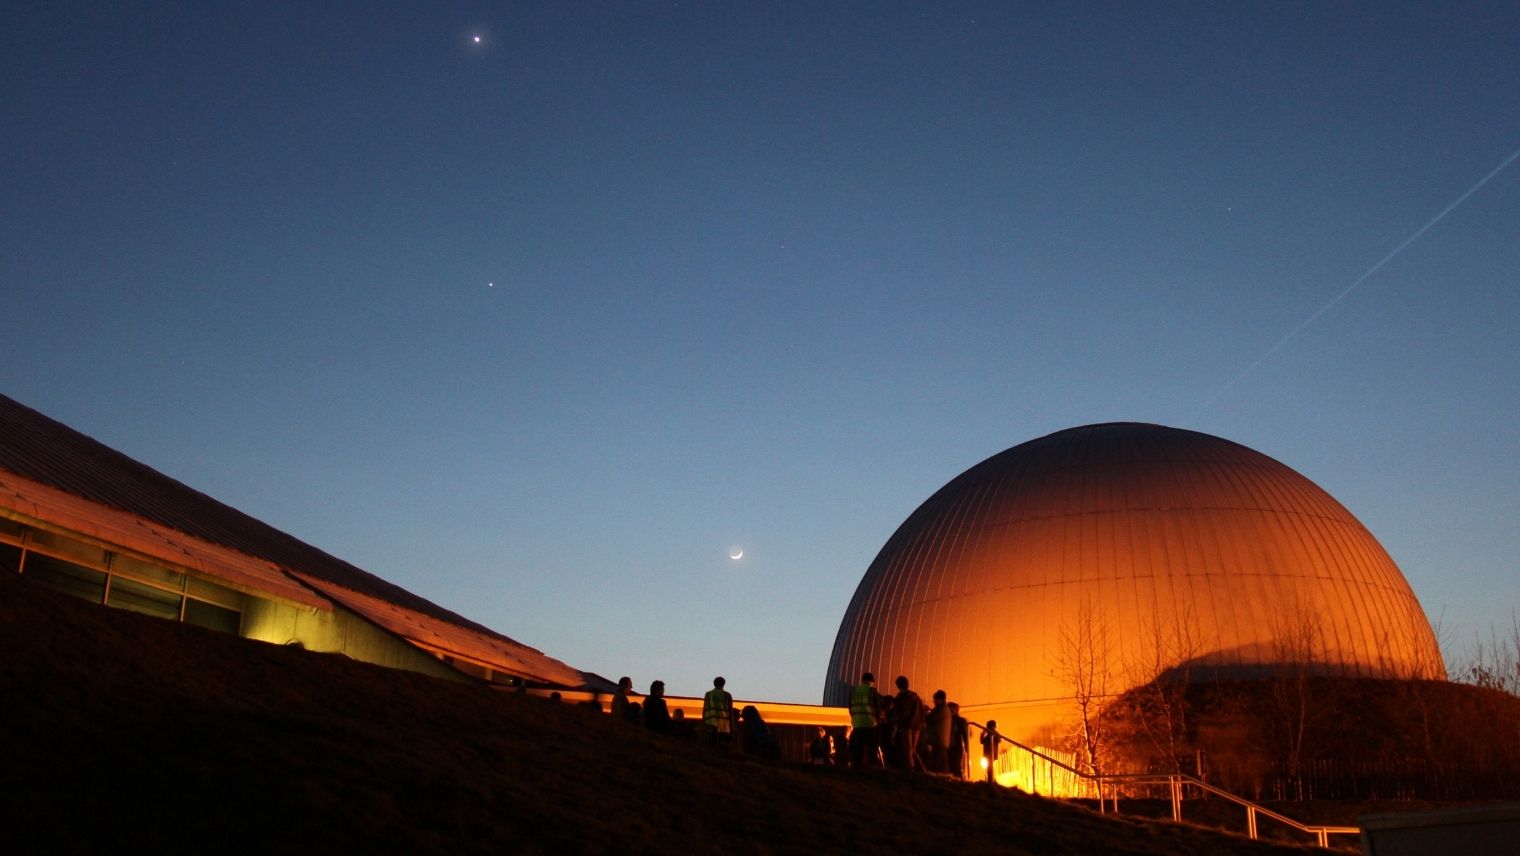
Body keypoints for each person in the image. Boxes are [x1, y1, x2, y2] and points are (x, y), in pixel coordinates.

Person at [891, 675, 926, 771]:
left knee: (908, 748)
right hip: (917, 725)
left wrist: (896, 725)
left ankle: (910, 768)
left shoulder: (900, 698)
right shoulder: (915, 696)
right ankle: (922, 768)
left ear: (898, 686)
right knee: (913, 748)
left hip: (907, 725)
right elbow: (921, 710)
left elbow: (899, 713)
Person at [848, 672, 882, 767]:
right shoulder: (872, 691)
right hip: (870, 724)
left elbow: (850, 707)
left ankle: (858, 765)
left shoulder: (854, 691)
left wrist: (855, 718)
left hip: (857, 724)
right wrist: (878, 721)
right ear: (870, 682)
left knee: (858, 746)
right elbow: (878, 708)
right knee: (872, 746)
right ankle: (872, 765)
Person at [924, 689, 952, 773]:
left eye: (935, 700)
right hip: (941, 740)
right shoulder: (943, 709)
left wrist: (926, 714)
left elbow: (931, 719)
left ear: (939, 699)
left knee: (939, 763)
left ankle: (942, 777)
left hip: (939, 740)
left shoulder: (942, 709)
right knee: (940, 762)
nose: (934, 702)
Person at [703, 676, 734, 747]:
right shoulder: (727, 695)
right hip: (724, 727)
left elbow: (704, 710)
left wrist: (703, 723)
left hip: (710, 725)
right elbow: (731, 712)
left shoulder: (708, 694)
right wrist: (732, 727)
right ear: (723, 684)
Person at [948, 702, 970, 779]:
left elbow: (965, 734)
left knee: (956, 765)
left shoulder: (960, 721)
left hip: (956, 746)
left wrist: (967, 746)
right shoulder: (949, 720)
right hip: (950, 746)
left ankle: (960, 780)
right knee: (952, 765)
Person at [980, 719, 1004, 783]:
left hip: (992, 754)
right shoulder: (988, 736)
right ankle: (991, 780)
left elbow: (999, 739)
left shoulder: (994, 735)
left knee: (990, 767)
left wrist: (985, 732)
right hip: (988, 754)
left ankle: (991, 779)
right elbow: (981, 741)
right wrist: (983, 733)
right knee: (989, 767)